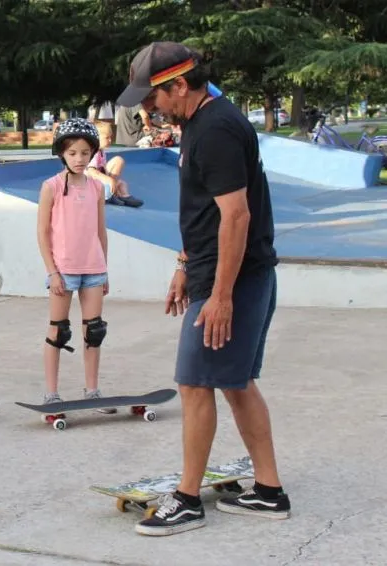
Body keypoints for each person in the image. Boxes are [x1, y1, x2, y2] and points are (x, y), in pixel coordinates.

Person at [116, 41, 290, 537]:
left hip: (233, 280)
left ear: (178, 85)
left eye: (152, 98)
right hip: (224, 273)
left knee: (195, 384)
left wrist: (219, 295)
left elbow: (236, 216)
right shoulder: (201, 124)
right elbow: (205, 213)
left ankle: (188, 499)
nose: (147, 109)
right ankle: (269, 491)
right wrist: (183, 265)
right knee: (235, 383)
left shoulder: (213, 130)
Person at [36, 118, 112, 410]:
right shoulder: (51, 187)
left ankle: (92, 390)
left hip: (93, 269)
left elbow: (100, 231)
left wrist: (105, 270)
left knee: (94, 332)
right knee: (58, 331)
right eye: (72, 153)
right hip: (64, 271)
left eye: (84, 152)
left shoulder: (96, 188)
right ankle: (51, 393)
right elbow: (42, 232)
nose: (79, 159)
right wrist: (52, 271)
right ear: (62, 154)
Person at [85, 129, 144, 208]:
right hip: (89, 183)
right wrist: (109, 180)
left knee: (122, 183)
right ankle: (109, 193)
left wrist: (111, 180)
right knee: (118, 160)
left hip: (98, 181)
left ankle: (123, 196)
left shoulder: (101, 151)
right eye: (107, 138)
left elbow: (102, 169)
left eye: (110, 138)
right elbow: (92, 171)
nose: (110, 140)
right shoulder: (93, 152)